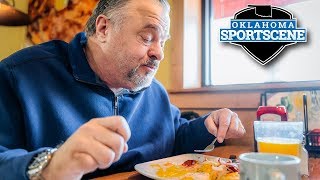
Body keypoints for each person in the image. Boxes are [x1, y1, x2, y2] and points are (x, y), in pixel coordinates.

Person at [0, 0, 246, 179]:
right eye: (148, 37)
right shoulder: (19, 75)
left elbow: (172, 137)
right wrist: (49, 166)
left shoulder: (153, 90)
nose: (159, 53)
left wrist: (207, 126)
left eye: (163, 41)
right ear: (104, 29)